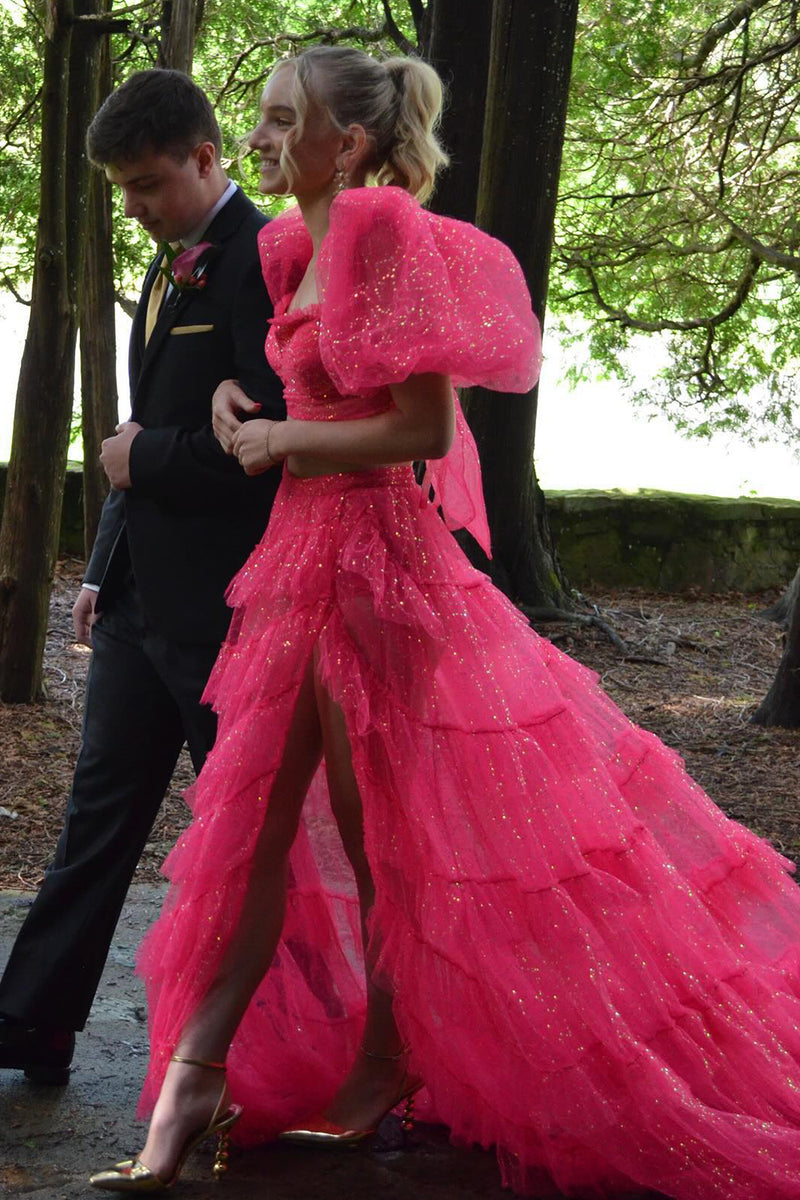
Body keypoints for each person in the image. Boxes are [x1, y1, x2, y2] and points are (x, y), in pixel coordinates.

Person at [90, 46, 800, 1200]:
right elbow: (308, 386)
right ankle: (195, 1079)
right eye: (261, 121)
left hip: (378, 567)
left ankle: (386, 1051)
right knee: (251, 826)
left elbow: (418, 429)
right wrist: (240, 406)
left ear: (349, 142)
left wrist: (287, 444)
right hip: (293, 567)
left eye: (280, 121)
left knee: (387, 835)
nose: (260, 139)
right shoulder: (282, 246)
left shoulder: (381, 232)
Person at [0, 69, 285, 1085]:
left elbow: (277, 446)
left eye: (148, 183)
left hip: (229, 616)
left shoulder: (266, 263)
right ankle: (30, 1024)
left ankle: (272, 1055)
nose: (133, 205)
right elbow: (136, 433)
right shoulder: (171, 270)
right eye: (122, 188)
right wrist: (100, 571)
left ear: (207, 158)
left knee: (249, 850)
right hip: (132, 611)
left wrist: (143, 461)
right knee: (94, 825)